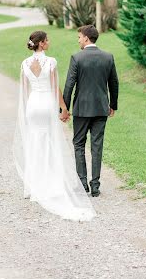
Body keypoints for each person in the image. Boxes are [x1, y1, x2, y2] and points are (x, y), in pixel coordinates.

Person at [13, 30, 96, 221]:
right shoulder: (50, 62)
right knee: (51, 141)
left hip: (33, 105)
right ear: (41, 43)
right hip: (46, 104)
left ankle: (34, 186)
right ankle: (52, 185)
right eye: (47, 40)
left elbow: (25, 90)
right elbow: (55, 86)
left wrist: (26, 110)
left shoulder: (25, 63)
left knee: (35, 143)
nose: (49, 42)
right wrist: (63, 107)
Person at [62, 25, 119, 197]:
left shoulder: (77, 58)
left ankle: (82, 183)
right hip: (101, 108)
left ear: (86, 38)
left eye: (79, 37)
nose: (78, 40)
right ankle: (95, 186)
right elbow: (114, 83)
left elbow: (69, 85)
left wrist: (64, 108)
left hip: (81, 108)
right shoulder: (108, 57)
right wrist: (113, 105)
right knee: (97, 146)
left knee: (79, 144)